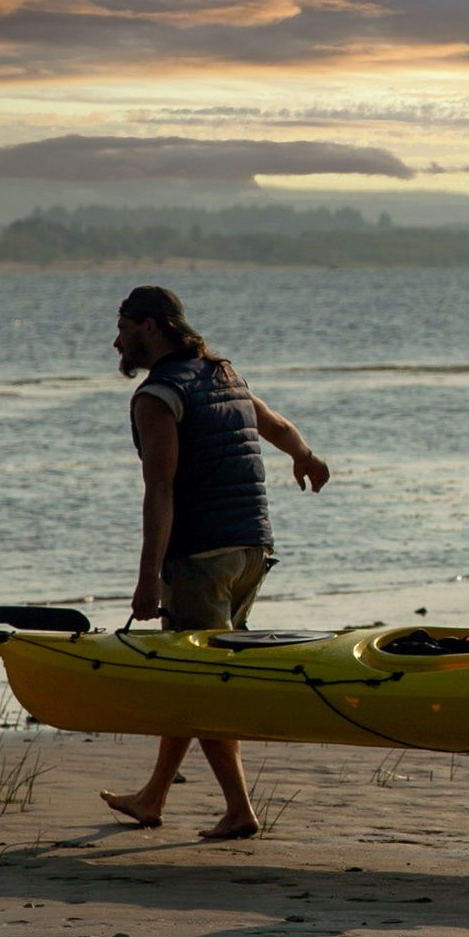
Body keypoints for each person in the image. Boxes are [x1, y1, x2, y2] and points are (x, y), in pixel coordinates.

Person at [103, 286, 329, 840]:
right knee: (195, 672)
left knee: (200, 680)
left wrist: (149, 578)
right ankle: (152, 796)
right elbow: (275, 427)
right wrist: (305, 456)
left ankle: (239, 810)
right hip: (252, 547)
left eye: (124, 326)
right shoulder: (223, 375)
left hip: (202, 554)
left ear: (152, 327)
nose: (117, 339)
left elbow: (160, 488)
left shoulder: (158, 396)